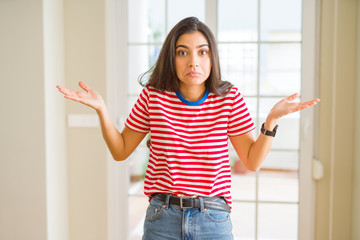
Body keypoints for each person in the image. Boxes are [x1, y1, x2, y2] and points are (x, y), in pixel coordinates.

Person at [57, 17, 319, 240]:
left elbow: (251, 161)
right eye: (183, 52)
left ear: (211, 56)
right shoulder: (154, 96)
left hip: (213, 220)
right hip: (162, 220)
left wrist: (271, 121)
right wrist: (102, 109)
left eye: (202, 52)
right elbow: (120, 150)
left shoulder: (229, 97)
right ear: (172, 57)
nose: (193, 61)